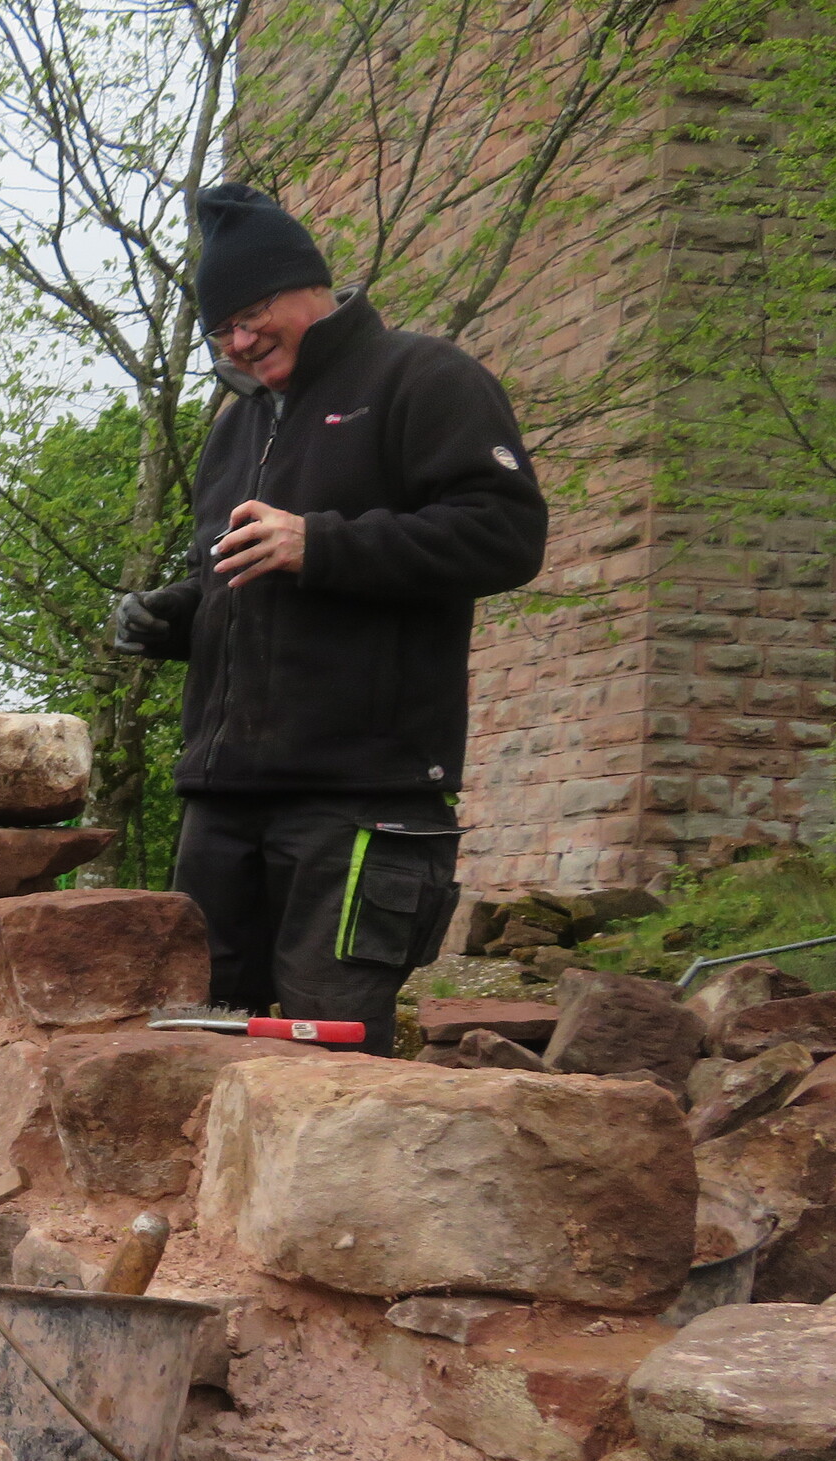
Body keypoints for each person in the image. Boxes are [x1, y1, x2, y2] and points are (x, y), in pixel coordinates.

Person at [114, 183, 548, 1056]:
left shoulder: (424, 379)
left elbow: (505, 535)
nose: (240, 342)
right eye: (221, 330)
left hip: (362, 800)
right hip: (223, 802)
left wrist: (322, 544)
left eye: (252, 315)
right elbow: (240, 581)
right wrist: (179, 618)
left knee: (328, 1054)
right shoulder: (233, 429)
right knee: (194, 1044)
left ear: (310, 286)